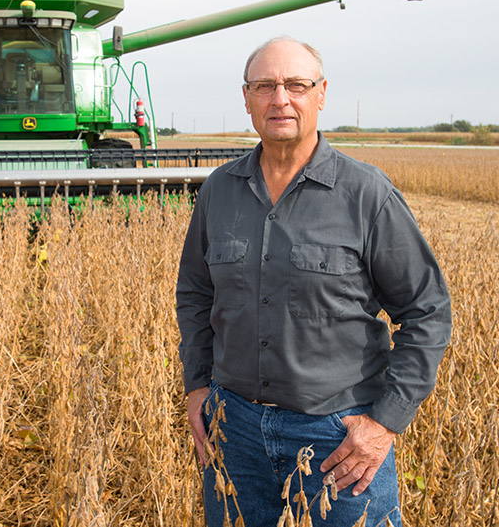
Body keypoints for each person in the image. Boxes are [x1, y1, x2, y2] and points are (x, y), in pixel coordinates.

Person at [176, 37, 452, 527]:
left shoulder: (366, 194)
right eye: (265, 86)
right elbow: (196, 294)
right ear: (246, 99)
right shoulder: (218, 190)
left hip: (337, 443)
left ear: (321, 93)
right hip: (233, 433)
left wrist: (384, 421)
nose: (280, 99)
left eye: (295, 85)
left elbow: (427, 310)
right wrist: (198, 386)